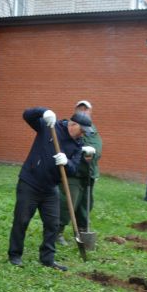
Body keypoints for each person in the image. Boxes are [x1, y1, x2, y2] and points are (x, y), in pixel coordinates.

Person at [8, 108, 92, 271]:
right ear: (73, 124)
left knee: (52, 224)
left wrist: (66, 162)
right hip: (30, 182)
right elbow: (26, 115)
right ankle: (15, 255)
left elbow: (74, 169)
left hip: (50, 187)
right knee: (22, 220)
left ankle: (47, 259)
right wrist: (44, 111)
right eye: (82, 130)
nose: (82, 134)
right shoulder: (49, 126)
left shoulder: (78, 144)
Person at [57, 101, 102, 244]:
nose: (83, 111)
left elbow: (97, 149)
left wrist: (91, 153)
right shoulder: (69, 126)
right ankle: (57, 232)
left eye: (86, 109)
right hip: (73, 172)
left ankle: (82, 231)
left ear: (90, 112)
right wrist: (81, 152)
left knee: (85, 205)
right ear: (75, 110)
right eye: (80, 109)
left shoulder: (92, 130)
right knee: (67, 202)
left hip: (89, 173)